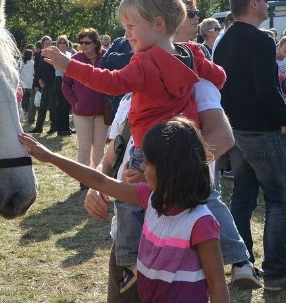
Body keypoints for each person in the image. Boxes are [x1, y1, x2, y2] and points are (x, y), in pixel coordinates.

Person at [20, 117, 230, 303]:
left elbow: (217, 284)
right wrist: (52, 157)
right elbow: (100, 181)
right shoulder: (150, 198)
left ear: (169, 169)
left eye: (148, 163)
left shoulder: (201, 223)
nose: (142, 168)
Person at [42, 0, 225, 172]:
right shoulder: (193, 53)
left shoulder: (145, 63)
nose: (126, 34)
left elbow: (110, 82)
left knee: (131, 199)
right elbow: (219, 77)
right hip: (183, 145)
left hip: (148, 148)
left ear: (158, 24)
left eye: (131, 26)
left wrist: (68, 65)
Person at [214, 0, 286, 291]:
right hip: (261, 132)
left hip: (236, 130)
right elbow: (265, 89)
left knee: (242, 198)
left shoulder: (224, 40)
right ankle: (277, 274)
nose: (268, 5)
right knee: (279, 200)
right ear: (252, 4)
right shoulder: (260, 40)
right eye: (265, 0)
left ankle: (243, 266)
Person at [61, 28, 109, 171]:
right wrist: (75, 102)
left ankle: (98, 177)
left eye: (87, 42)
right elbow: (65, 84)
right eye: (81, 42)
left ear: (95, 43)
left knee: (99, 147)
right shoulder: (76, 59)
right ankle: (84, 178)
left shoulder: (106, 57)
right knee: (84, 146)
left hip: (102, 112)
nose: (83, 45)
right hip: (81, 112)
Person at [29, 36, 55, 134]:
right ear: (43, 44)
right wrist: (39, 80)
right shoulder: (40, 55)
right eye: (46, 43)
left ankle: (53, 127)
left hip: (53, 82)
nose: (48, 45)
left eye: (49, 43)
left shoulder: (54, 54)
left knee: (52, 106)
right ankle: (38, 127)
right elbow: (38, 70)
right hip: (44, 83)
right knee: (42, 106)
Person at [51, 35, 75, 136]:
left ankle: (66, 127)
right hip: (59, 80)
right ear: (57, 44)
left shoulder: (70, 53)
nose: (62, 44)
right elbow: (59, 67)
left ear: (67, 44)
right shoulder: (56, 55)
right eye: (60, 42)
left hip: (68, 80)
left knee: (67, 105)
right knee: (60, 105)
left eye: (64, 42)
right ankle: (60, 129)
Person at [18, 49, 35, 123]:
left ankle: (23, 115)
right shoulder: (32, 62)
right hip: (30, 83)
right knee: (30, 101)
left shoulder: (20, 62)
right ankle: (28, 115)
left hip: (22, 84)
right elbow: (33, 72)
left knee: (24, 100)